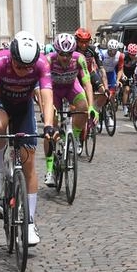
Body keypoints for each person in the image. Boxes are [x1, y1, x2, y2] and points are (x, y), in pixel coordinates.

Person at [0, 31, 56, 246]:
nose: (23, 72)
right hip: (2, 104)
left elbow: (47, 95)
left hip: (24, 109)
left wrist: (49, 124)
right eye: (19, 66)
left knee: (29, 163)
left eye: (27, 68)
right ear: (11, 56)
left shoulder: (41, 63)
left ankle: (30, 223)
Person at [42, 33, 96, 186]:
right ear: (56, 51)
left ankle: (75, 138)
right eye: (62, 54)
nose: (65, 58)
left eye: (68, 54)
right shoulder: (48, 60)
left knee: (83, 107)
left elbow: (87, 84)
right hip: (53, 90)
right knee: (51, 127)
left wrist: (91, 106)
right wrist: (46, 108)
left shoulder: (79, 59)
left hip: (71, 87)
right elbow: (41, 87)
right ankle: (50, 170)